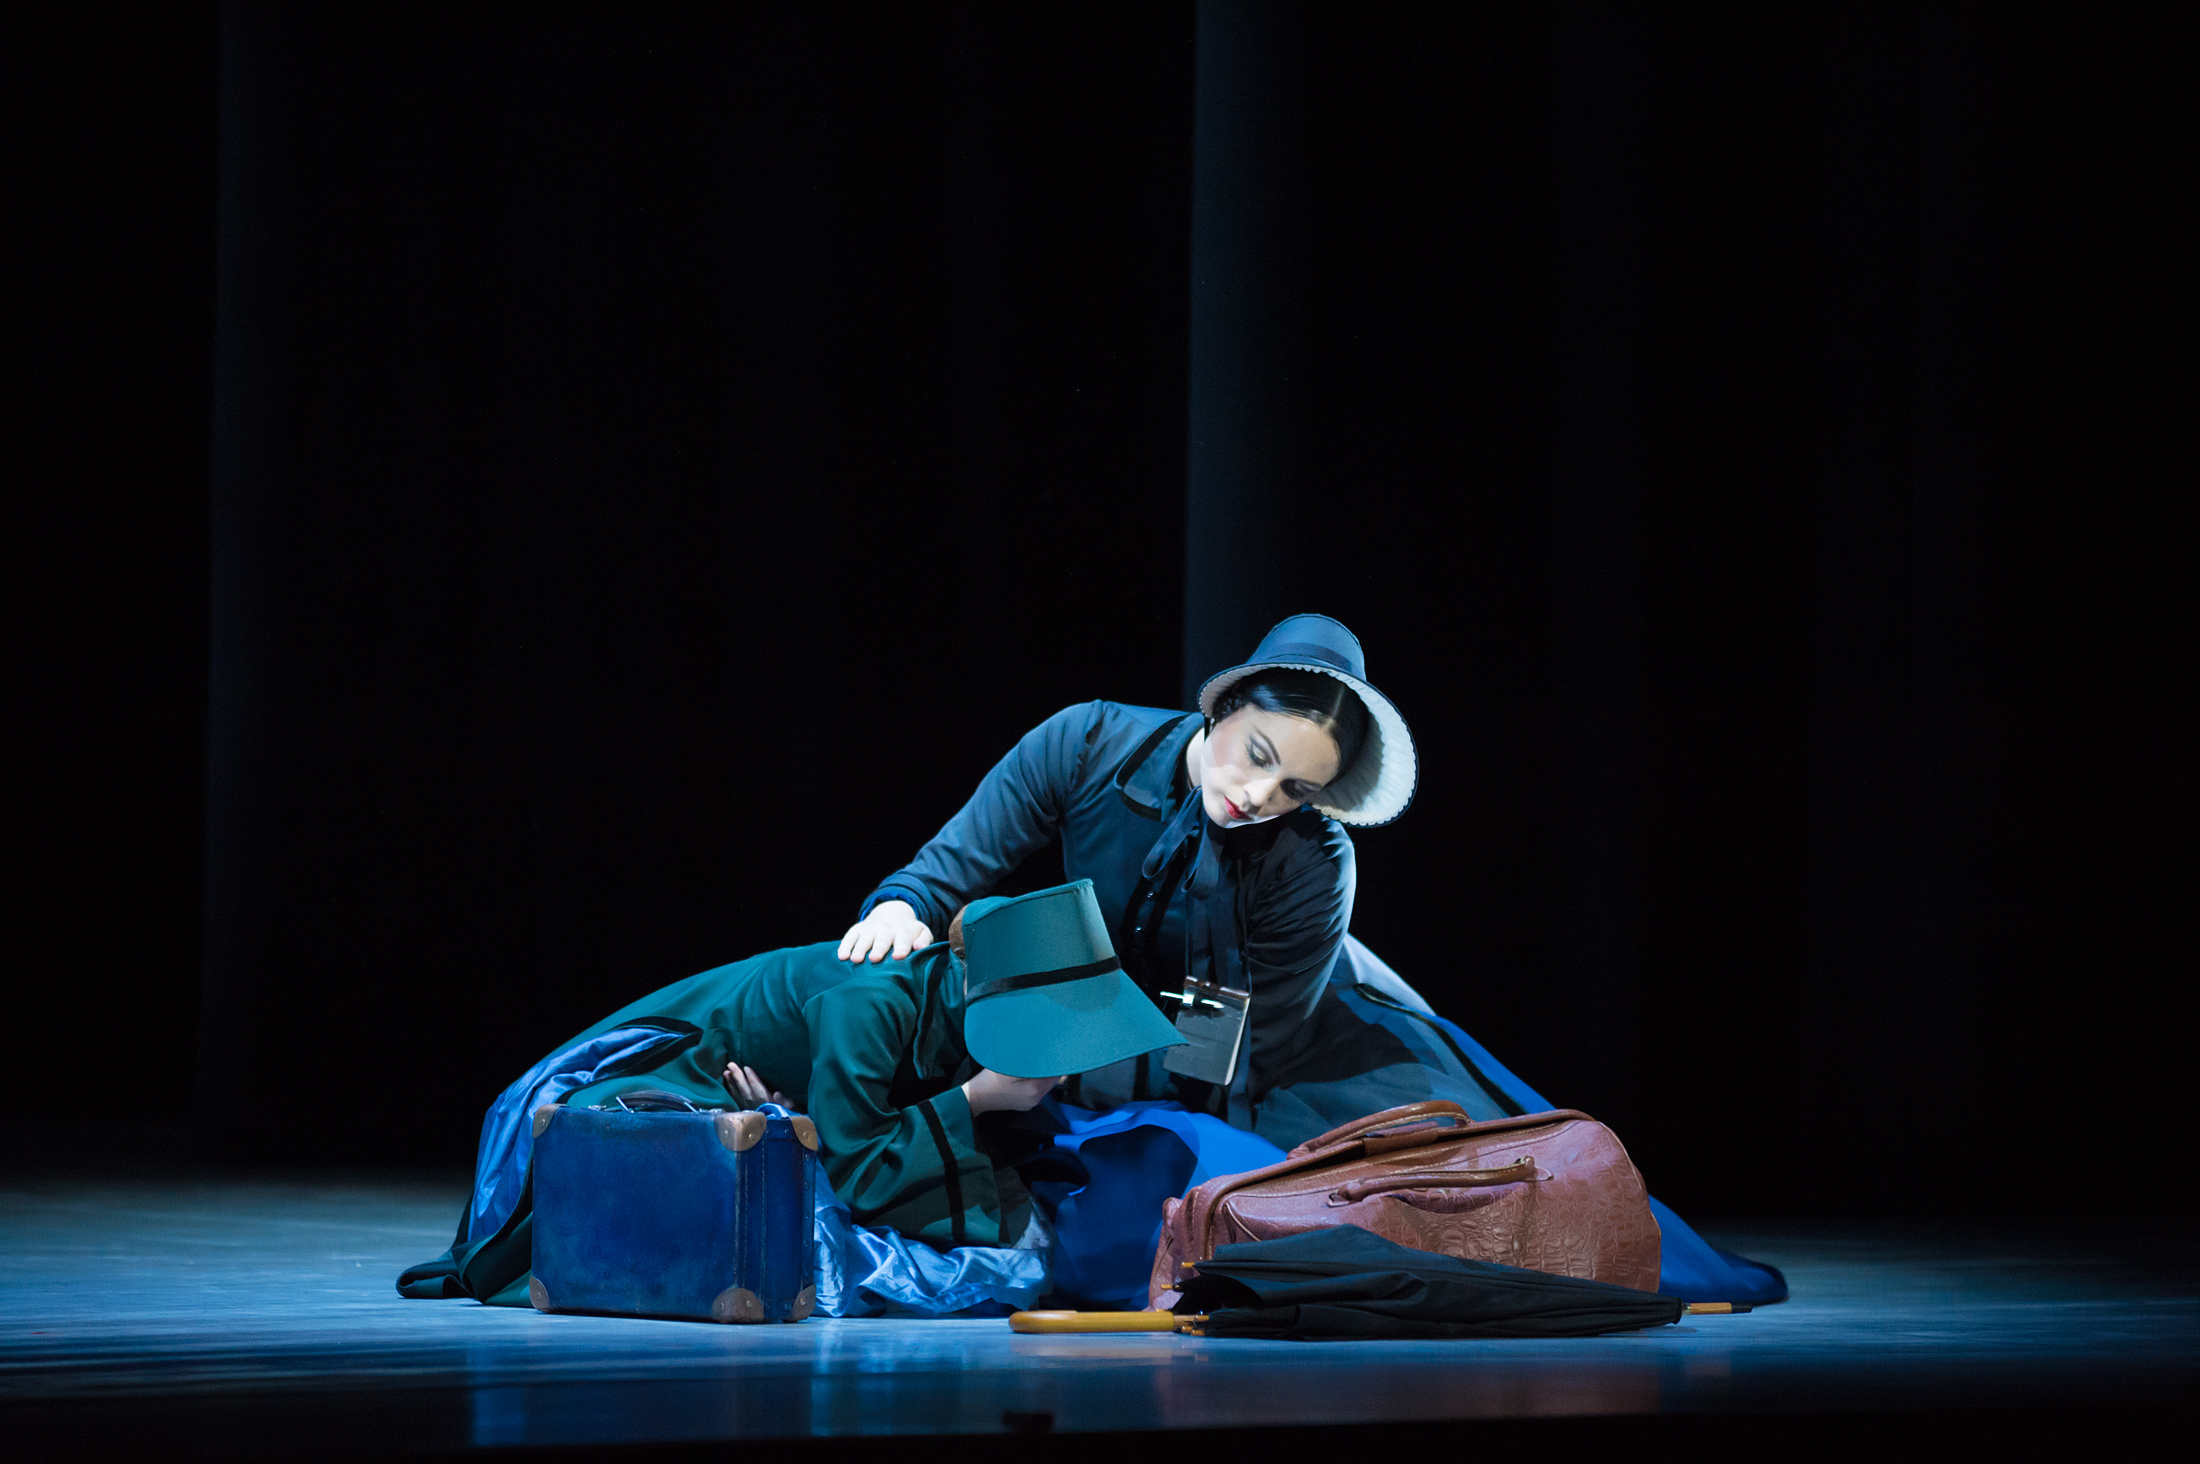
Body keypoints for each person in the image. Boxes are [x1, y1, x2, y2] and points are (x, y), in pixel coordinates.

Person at [838, 613, 1472, 1145]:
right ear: (1225, 707)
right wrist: (902, 908)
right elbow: (952, 867)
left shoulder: (1313, 862)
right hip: (1106, 1023)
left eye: (1294, 790)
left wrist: (1080, 1071)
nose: (1257, 795)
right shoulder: (1086, 741)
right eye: (1257, 755)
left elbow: (1229, 1048)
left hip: (1265, 1052)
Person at [398, 881, 1184, 1306]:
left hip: (802, 1090)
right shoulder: (867, 1007)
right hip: (681, 1070)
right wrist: (976, 1102)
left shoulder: (949, 1006)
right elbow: (859, 1166)